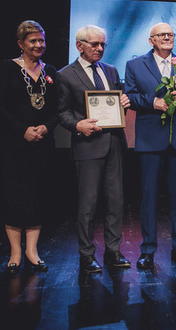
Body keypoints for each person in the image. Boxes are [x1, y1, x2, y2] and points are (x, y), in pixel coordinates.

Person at [124, 23, 176, 269]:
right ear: (151, 41)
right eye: (162, 35)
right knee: (149, 198)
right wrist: (153, 102)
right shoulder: (135, 65)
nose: (167, 37)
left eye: (170, 34)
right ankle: (147, 251)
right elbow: (130, 97)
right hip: (150, 141)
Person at [57, 25, 131, 273]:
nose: (100, 49)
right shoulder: (66, 74)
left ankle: (113, 251)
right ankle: (86, 255)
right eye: (94, 44)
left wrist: (124, 102)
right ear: (80, 46)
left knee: (116, 202)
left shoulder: (110, 70)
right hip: (87, 147)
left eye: (102, 45)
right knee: (88, 204)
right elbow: (61, 112)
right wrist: (77, 124)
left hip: (114, 144)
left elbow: (116, 105)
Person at [0, 20, 59, 273]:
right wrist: (22, 129)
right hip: (14, 144)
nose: (38, 45)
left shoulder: (51, 71)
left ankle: (32, 252)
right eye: (33, 41)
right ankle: (15, 253)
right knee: (14, 196)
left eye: (41, 40)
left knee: (37, 195)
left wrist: (47, 126)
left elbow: (58, 109)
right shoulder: (7, 68)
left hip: (42, 144)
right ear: (21, 43)